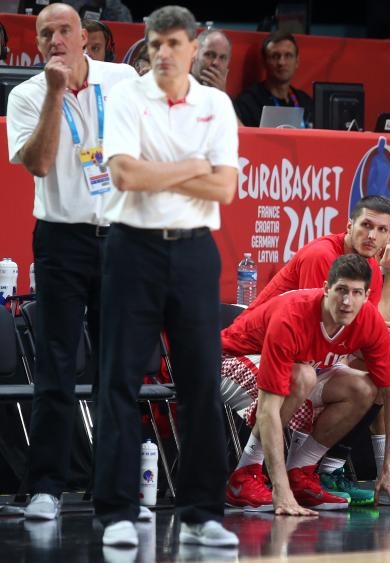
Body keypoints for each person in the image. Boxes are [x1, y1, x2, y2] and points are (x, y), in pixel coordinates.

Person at [93, 5, 239, 548]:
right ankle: (116, 514)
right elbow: (125, 174)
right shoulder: (128, 96)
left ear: (193, 46)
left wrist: (171, 176)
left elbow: (224, 188)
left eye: (173, 44)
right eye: (155, 44)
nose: (163, 53)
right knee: (119, 380)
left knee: (201, 380)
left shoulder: (216, 104)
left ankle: (204, 513)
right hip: (132, 249)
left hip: (195, 252)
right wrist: (193, 167)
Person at [5, 2, 137, 521]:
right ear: (38, 44)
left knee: (117, 369)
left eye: (65, 30)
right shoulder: (26, 94)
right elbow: (37, 162)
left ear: (85, 36)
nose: (55, 40)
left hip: (122, 235)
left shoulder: (124, 78)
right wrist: (55, 94)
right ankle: (46, 488)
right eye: (46, 34)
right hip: (61, 239)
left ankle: (114, 488)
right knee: (57, 366)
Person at [226, 255, 390, 515]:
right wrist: (280, 492)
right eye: (341, 291)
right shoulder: (292, 316)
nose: (348, 302)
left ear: (366, 295)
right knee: (302, 376)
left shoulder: (368, 318)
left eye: (356, 293)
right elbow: (268, 408)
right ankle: (244, 475)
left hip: (300, 366)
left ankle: (300, 471)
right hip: (225, 361)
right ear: (326, 289)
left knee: (366, 388)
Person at [233, 30, 312, 127]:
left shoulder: (305, 101)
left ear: (297, 61)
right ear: (264, 62)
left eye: (288, 56)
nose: (281, 62)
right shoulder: (248, 102)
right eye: (275, 56)